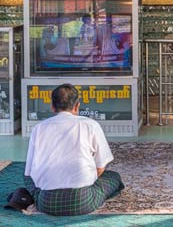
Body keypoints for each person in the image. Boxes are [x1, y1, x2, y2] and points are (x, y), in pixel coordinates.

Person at [23, 83, 124, 216]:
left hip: (46, 203)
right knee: (114, 177)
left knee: (26, 177)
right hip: (82, 201)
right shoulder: (90, 125)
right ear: (77, 106)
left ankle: (34, 196)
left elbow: (29, 173)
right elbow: (101, 166)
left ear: (52, 107)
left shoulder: (39, 128)